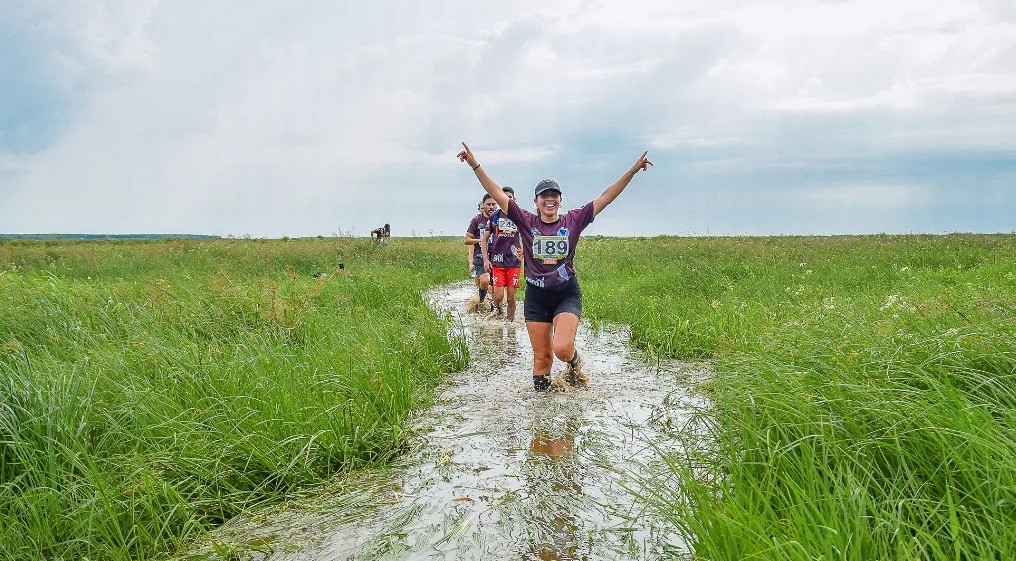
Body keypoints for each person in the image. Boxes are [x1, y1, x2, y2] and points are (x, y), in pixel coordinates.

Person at [458, 142, 652, 391]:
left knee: (561, 348)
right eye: (544, 196)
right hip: (537, 296)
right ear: (536, 201)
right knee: (542, 360)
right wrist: (475, 165)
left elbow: (606, 196)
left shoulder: (574, 220)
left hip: (565, 293)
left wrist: (633, 171)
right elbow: (495, 192)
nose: (549, 200)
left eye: (554, 196)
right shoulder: (525, 220)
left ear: (560, 201)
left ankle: (574, 363)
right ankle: (541, 418)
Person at [479, 186, 523, 321]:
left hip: (514, 262)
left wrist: (525, 251)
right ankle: (497, 310)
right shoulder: (495, 216)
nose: (507, 200)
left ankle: (510, 324)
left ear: (514, 199)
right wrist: (486, 260)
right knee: (498, 296)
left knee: (511, 296)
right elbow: (484, 239)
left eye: (509, 197)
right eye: (503, 197)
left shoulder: (520, 215)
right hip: (498, 261)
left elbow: (528, 235)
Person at [464, 194, 497, 308]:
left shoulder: (500, 218)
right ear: (483, 206)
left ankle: (496, 309)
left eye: (494, 204)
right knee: (484, 280)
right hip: (480, 257)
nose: (491, 207)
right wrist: (480, 240)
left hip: (497, 257)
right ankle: (481, 302)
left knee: (495, 288)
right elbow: (467, 240)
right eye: (488, 204)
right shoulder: (477, 220)